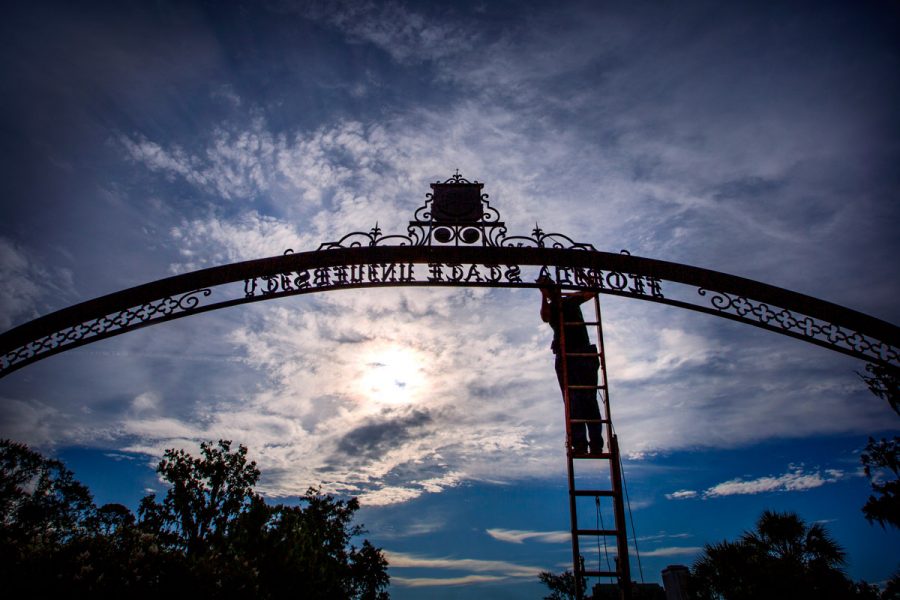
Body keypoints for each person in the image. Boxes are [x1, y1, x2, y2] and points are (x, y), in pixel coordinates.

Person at [539, 279, 604, 455]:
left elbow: (591, 292)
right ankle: (582, 444)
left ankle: (595, 444)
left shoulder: (570, 300)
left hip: (580, 354)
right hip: (568, 355)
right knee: (574, 401)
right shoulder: (554, 307)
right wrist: (544, 296)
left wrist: (587, 282)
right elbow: (545, 317)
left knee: (586, 400)